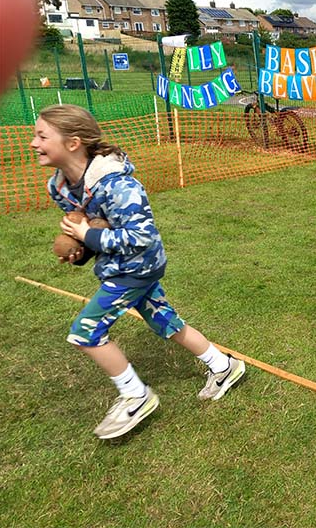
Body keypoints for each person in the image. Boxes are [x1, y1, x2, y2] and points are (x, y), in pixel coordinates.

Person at [30, 104, 246, 440]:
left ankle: (136, 396)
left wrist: (87, 236)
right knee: (164, 321)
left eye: (42, 136)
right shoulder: (59, 186)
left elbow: (141, 237)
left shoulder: (118, 184)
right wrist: (81, 250)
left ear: (73, 143)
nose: (34, 143)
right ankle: (224, 367)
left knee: (85, 332)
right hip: (118, 265)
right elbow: (94, 229)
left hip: (137, 266)